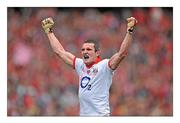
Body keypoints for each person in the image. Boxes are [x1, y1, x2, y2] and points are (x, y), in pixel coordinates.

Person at [41, 16, 137, 116]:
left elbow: (122, 54)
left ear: (97, 53)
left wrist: (129, 31)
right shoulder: (80, 65)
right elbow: (60, 52)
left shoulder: (104, 66)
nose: (85, 52)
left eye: (88, 49)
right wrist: (49, 32)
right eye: (83, 50)